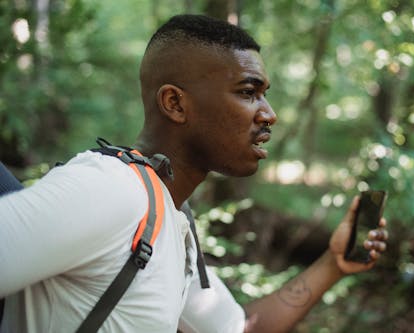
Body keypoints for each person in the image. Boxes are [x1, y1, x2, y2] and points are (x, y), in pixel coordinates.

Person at [0, 14, 388, 333]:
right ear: (175, 103)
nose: (269, 113)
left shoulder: (169, 221)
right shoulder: (110, 191)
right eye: (248, 92)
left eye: (264, 93)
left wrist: (334, 264)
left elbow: (243, 329)